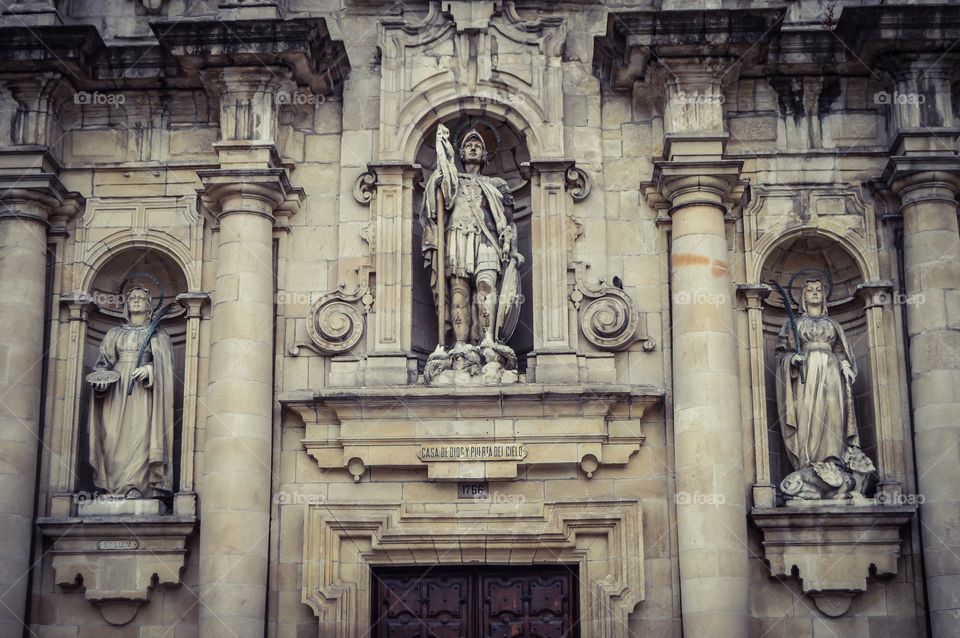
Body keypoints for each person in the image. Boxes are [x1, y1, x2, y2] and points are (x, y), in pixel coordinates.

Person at [775, 278, 864, 498]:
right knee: (808, 415)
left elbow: (842, 351)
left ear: (824, 296)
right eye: (810, 290)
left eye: (818, 289)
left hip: (831, 372)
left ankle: (833, 459)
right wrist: (792, 359)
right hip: (805, 375)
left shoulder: (833, 325)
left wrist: (845, 365)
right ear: (802, 297)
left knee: (833, 414)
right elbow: (781, 352)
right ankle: (809, 460)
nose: (815, 293)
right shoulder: (793, 324)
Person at [88, 287, 175, 498]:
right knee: (113, 436)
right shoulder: (114, 334)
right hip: (116, 391)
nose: (135, 301)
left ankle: (137, 486)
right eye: (132, 298)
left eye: (140, 298)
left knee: (140, 434)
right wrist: (101, 382)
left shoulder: (157, 334)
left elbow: (166, 366)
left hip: (142, 392)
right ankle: (113, 486)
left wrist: (150, 370)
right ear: (126, 305)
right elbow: (103, 364)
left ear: (149, 306)